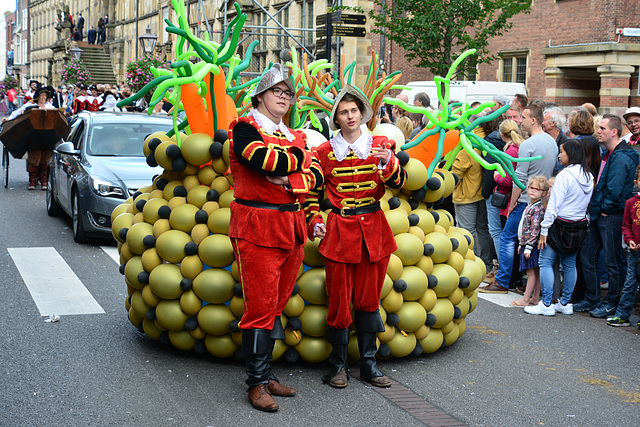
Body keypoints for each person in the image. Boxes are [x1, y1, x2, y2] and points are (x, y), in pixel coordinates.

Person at [228, 63, 320, 412]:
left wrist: (291, 175)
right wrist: (296, 161)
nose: (283, 97)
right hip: (257, 228)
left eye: (288, 93)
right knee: (260, 307)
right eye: (276, 92)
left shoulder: (294, 134)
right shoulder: (244, 128)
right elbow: (260, 159)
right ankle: (255, 384)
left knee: (276, 305)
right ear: (260, 96)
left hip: (291, 229)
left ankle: (266, 377)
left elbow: (315, 177)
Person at [306, 84, 407, 389]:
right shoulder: (323, 152)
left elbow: (399, 183)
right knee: (339, 301)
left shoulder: (381, 144)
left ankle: (369, 365)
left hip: (373, 231)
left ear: (363, 114)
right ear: (335, 117)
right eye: (343, 112)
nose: (350, 116)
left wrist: (387, 162)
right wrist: (314, 219)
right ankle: (338, 366)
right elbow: (311, 193)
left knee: (369, 300)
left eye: (354, 111)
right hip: (339, 232)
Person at [479, 101, 558, 293]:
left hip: (525, 200)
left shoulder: (528, 144)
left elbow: (518, 178)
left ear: (533, 120)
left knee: (507, 238)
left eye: (523, 117)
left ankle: (503, 281)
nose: (519, 121)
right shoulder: (551, 142)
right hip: (543, 200)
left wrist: (513, 203)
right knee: (531, 243)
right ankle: (529, 285)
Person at [575, 114, 639, 317]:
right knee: (588, 255)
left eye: (602, 128)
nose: (598, 131)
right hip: (599, 213)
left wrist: (606, 208)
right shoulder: (607, 153)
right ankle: (592, 299)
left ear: (614, 131)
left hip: (610, 214)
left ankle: (611, 302)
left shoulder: (620, 156)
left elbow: (615, 189)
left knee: (613, 261)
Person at [525, 140, 594, 315]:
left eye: (562, 152)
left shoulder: (565, 175)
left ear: (570, 154)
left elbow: (554, 205)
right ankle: (565, 302)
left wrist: (545, 229)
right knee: (570, 264)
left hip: (559, 224)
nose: (559, 155)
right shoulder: (589, 176)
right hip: (578, 225)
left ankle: (547, 304)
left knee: (545, 262)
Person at [3, 86, 57, 190]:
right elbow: (17, 112)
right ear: (38, 96)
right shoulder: (31, 105)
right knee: (34, 158)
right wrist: (9, 119)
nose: (43, 97)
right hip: (34, 136)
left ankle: (44, 181)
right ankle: (33, 181)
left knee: (45, 158)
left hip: (47, 136)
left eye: (45, 95)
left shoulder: (50, 106)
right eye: (41, 95)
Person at [607, 164, 640, 327]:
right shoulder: (630, 203)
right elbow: (626, 225)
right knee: (629, 283)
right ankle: (622, 315)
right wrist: (629, 240)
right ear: (636, 182)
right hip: (635, 252)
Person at [511, 176, 548, 307]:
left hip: (531, 245)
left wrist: (528, 247)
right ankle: (535, 297)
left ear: (543, 192)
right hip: (527, 244)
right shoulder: (532, 205)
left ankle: (526, 299)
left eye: (537, 189)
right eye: (531, 188)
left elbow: (535, 229)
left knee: (531, 272)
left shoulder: (537, 209)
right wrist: (522, 243)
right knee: (535, 272)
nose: (532, 191)